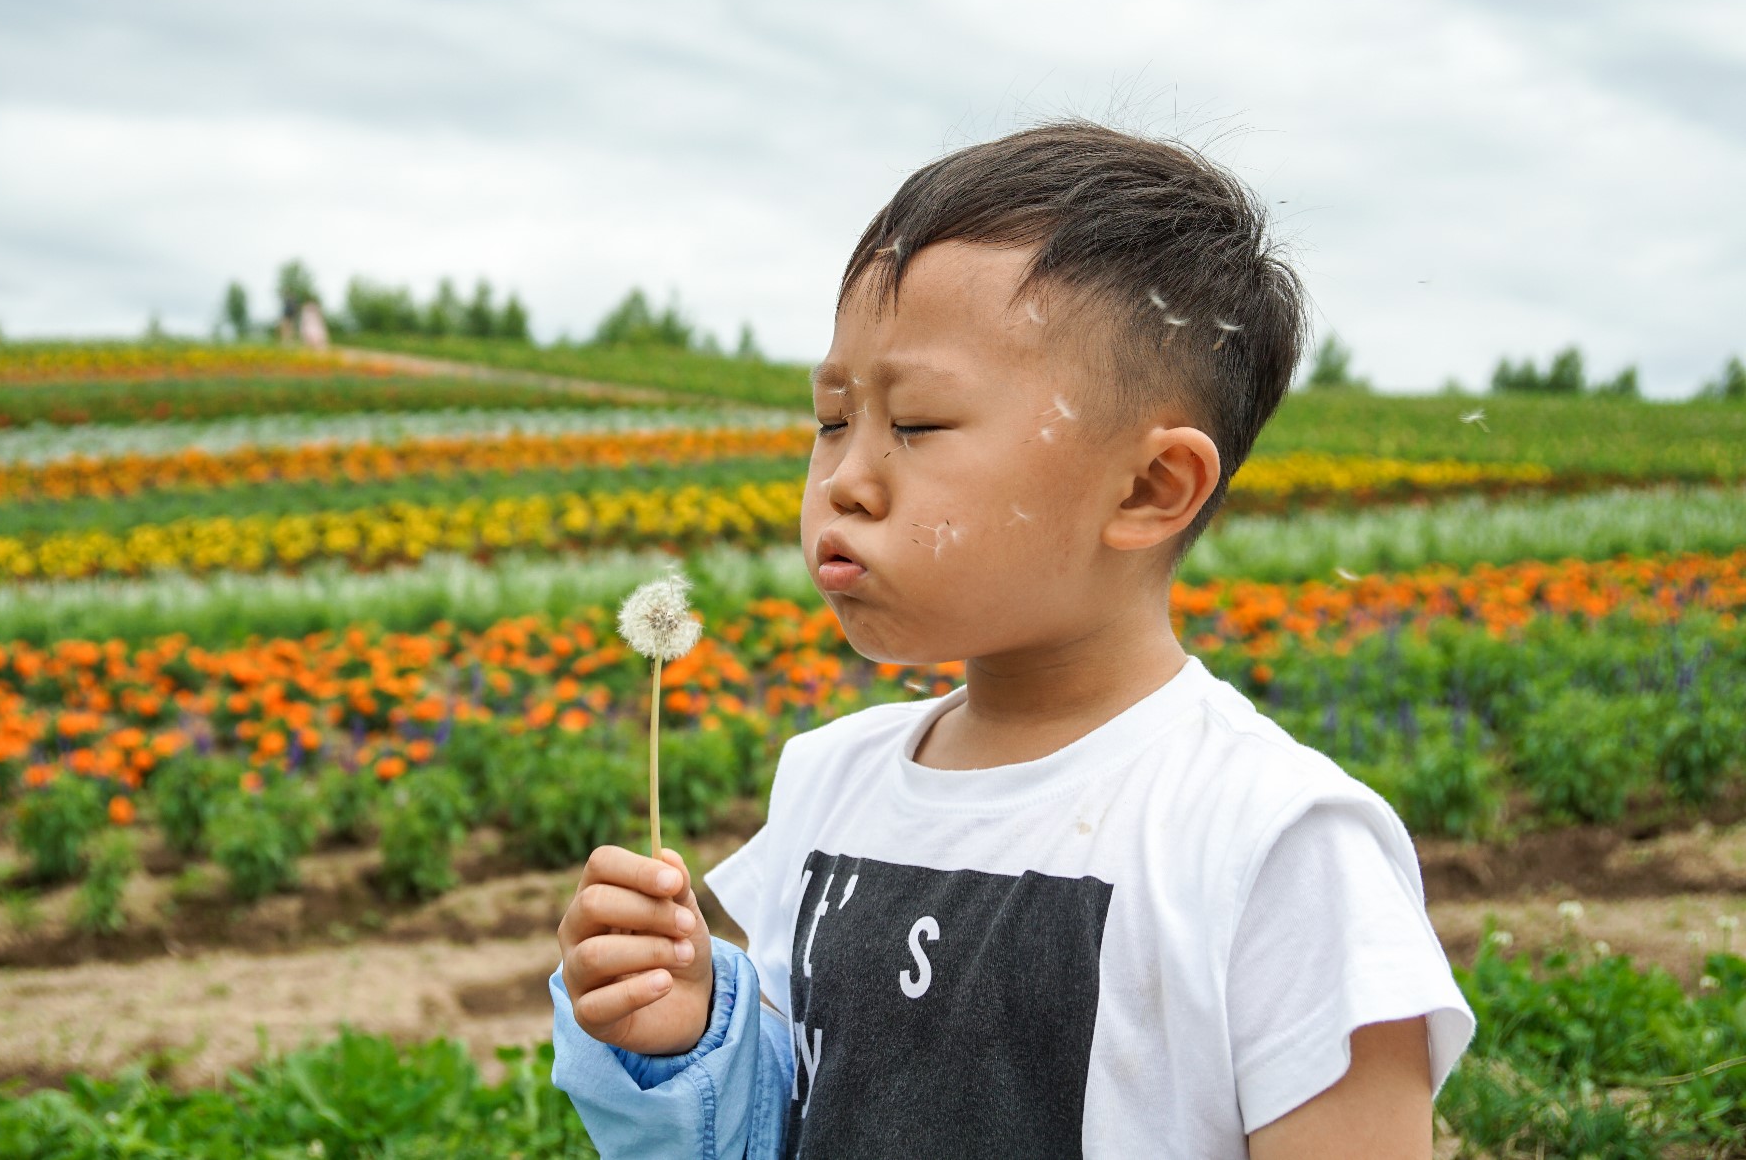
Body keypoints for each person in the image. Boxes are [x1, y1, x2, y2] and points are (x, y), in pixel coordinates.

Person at [547, 121, 1475, 1159]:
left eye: (919, 424)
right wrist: (688, 1030)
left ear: (1146, 488)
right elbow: (794, 1119)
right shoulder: (827, 783)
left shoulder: (1272, 847)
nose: (844, 479)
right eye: (830, 420)